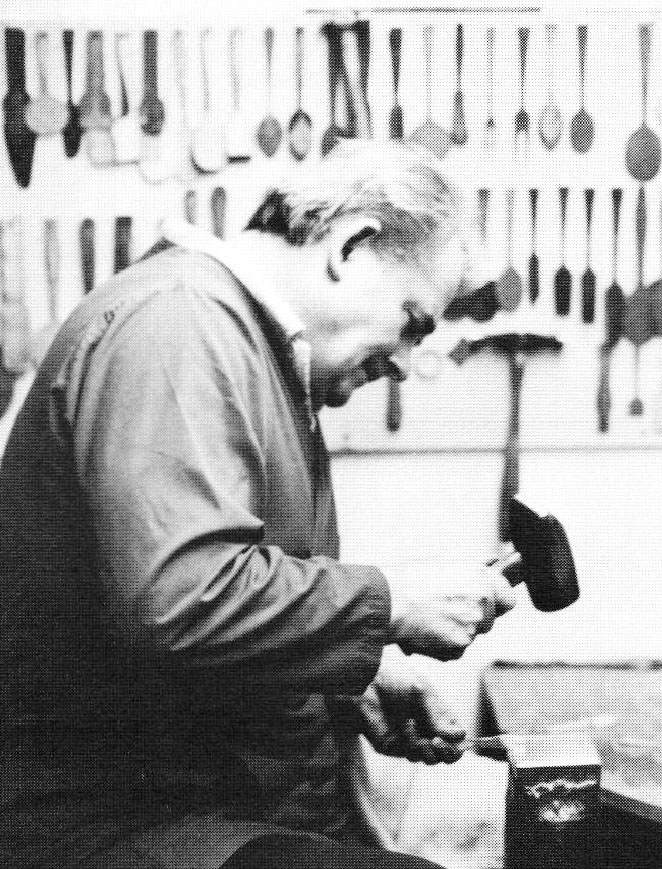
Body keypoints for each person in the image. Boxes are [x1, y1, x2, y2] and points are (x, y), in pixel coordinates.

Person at [0, 141, 516, 869]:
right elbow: (178, 599)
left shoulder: (252, 349)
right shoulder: (178, 323)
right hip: (105, 823)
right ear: (350, 247)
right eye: (411, 322)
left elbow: (228, 605)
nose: (405, 362)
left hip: (199, 805)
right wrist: (392, 602)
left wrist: (347, 681)